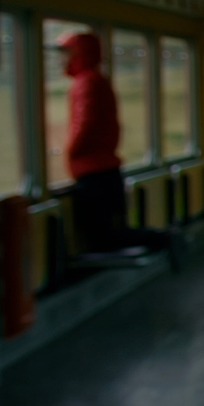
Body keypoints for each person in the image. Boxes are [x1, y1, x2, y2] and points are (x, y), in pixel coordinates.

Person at [58, 31, 125, 253]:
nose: (62, 60)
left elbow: (85, 122)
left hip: (93, 171)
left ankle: (164, 240)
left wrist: (70, 151)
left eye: (66, 53)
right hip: (105, 168)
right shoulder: (97, 80)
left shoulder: (86, 83)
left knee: (102, 239)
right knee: (110, 235)